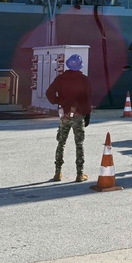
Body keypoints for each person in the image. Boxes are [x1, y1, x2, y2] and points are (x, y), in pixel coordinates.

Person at [44, 54, 91, 182]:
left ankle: (57, 173)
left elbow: (49, 93)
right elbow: (87, 99)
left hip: (64, 114)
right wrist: (87, 115)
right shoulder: (84, 80)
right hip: (79, 114)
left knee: (61, 143)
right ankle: (80, 174)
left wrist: (60, 101)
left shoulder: (61, 79)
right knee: (79, 144)